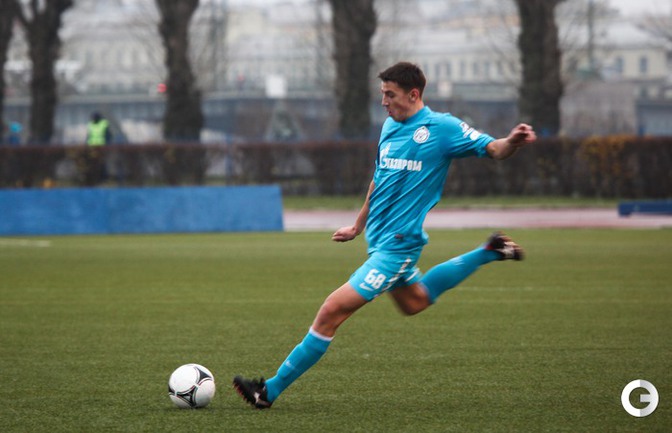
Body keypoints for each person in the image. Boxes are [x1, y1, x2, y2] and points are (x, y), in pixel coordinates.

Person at [233, 62, 537, 409]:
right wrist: (357, 225)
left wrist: (513, 141)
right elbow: (379, 179)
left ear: (413, 94)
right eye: (382, 94)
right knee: (415, 301)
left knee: (331, 311)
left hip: (398, 248)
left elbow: (494, 149)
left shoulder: (443, 128)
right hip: (378, 242)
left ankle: (268, 391)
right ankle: (491, 249)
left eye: (390, 95)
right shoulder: (390, 127)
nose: (384, 102)